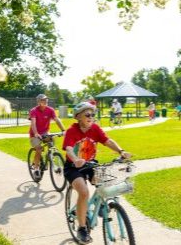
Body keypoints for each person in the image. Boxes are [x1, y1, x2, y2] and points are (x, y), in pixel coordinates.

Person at [63, 102, 131, 244]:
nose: (91, 117)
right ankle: (82, 229)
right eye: (87, 114)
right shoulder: (72, 131)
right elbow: (69, 148)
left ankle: (100, 205)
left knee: (105, 183)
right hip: (73, 167)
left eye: (93, 114)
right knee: (84, 192)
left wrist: (121, 151)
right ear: (79, 117)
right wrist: (75, 159)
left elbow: (107, 141)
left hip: (90, 164)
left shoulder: (95, 128)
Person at [29, 94, 65, 178]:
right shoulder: (34, 111)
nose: (45, 101)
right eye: (43, 100)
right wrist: (36, 133)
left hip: (45, 132)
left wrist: (63, 130)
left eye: (46, 99)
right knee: (39, 149)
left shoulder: (50, 110)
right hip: (34, 134)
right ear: (38, 102)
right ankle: (36, 168)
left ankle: (51, 160)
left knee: (51, 146)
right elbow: (33, 123)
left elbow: (57, 120)